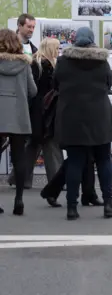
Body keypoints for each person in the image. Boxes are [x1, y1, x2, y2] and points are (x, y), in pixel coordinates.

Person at [53, 27, 112, 220]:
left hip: (72, 117)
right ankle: (108, 204)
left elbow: (55, 85)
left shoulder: (63, 61)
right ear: (92, 40)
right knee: (104, 161)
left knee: (75, 162)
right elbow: (108, 84)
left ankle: (71, 208)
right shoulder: (101, 61)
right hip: (99, 117)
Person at [8, 38, 64, 193]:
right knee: (50, 144)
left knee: (33, 144)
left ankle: (20, 178)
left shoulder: (35, 64)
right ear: (51, 49)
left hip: (36, 111)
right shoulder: (46, 66)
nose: (59, 51)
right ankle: (56, 182)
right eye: (57, 48)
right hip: (47, 110)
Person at [0, 29, 38, 215]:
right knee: (19, 156)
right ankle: (19, 200)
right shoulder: (24, 65)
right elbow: (33, 91)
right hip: (18, 113)